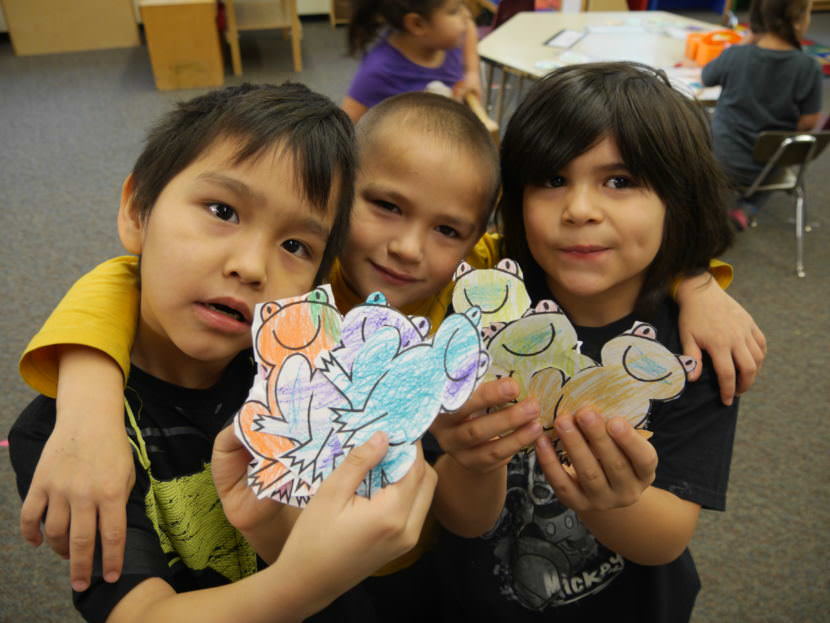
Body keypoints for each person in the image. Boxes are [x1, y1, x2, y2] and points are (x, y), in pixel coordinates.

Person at [16, 92, 763, 603]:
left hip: (428, 562)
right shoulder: (298, 276)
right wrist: (85, 399)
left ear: (472, 239)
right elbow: (128, 276)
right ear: (337, 202)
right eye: (383, 206)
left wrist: (696, 279)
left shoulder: (475, 281)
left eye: (446, 229)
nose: (409, 249)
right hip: (316, 558)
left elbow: (582, 251)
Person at [8, 83, 438, 623]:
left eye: (295, 246)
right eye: (222, 210)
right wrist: (301, 584)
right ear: (138, 211)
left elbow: (302, 539)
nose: (252, 266)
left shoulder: (300, 379)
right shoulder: (63, 439)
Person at [429, 62, 742, 623]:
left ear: (679, 198)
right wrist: (473, 459)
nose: (578, 209)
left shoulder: (693, 349)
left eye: (620, 181)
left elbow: (666, 538)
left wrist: (610, 497)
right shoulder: (479, 308)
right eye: (551, 180)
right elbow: (460, 518)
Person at [702, 0, 822, 230]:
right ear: (798, 22)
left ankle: (706, 199)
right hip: (766, 167)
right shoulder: (808, 67)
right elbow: (810, 121)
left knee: (706, 119)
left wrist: (746, 40)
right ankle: (747, 208)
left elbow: (707, 77)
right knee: (782, 151)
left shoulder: (737, 55)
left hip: (719, 160)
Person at [341, 0, 482, 122]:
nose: (467, 15)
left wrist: (472, 72)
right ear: (417, 24)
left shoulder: (446, 41)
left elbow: (469, 27)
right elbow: (345, 127)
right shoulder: (378, 72)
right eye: (455, 10)